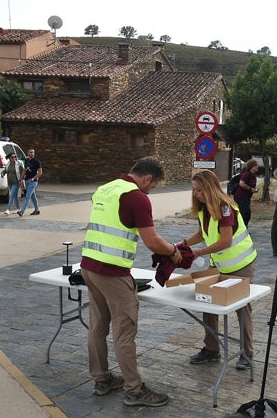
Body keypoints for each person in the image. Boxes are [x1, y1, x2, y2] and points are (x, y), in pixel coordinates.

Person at [80, 156, 182, 408]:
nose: (152, 190)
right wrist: (172, 251)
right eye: (154, 185)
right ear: (147, 178)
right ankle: (134, 391)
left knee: (97, 327)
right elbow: (152, 241)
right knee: (125, 332)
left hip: (89, 266)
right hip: (113, 273)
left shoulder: (105, 189)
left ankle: (102, 379)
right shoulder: (137, 197)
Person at [184, 169, 258, 370]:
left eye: (199, 190)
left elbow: (225, 241)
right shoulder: (203, 208)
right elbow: (202, 233)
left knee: (243, 309)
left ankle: (246, 354)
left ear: (209, 189)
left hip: (241, 266)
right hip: (218, 265)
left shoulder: (225, 206)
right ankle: (211, 349)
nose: (195, 194)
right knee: (208, 303)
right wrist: (182, 245)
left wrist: (198, 253)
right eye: (194, 190)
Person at [233, 158, 259, 226]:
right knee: (244, 213)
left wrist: (254, 189)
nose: (257, 167)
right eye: (255, 165)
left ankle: (244, 227)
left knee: (247, 214)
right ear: (251, 167)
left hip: (247, 197)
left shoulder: (253, 176)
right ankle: (241, 228)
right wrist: (250, 189)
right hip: (241, 196)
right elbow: (241, 183)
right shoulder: (246, 174)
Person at [17, 148, 42, 217]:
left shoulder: (37, 161)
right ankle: (37, 210)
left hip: (33, 182)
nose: (32, 153)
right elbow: (24, 170)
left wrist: (33, 178)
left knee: (27, 196)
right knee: (33, 196)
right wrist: (21, 179)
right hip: (27, 181)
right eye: (30, 152)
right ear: (27, 153)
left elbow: (40, 173)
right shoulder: (27, 160)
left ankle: (22, 211)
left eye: (33, 152)